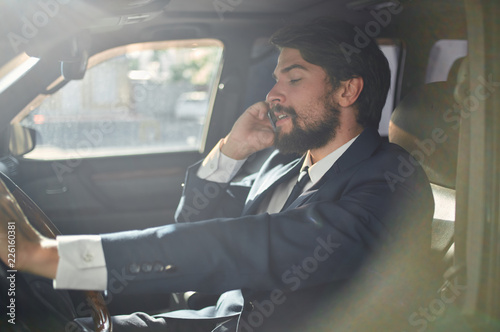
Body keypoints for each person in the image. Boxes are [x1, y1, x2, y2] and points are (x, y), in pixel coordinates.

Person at [0, 17, 434, 331]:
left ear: (346, 89)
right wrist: (230, 151)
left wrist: (55, 256)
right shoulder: (281, 165)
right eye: (274, 78)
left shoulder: (392, 178)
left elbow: (250, 247)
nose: (272, 93)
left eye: (293, 78)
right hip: (212, 318)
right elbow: (195, 227)